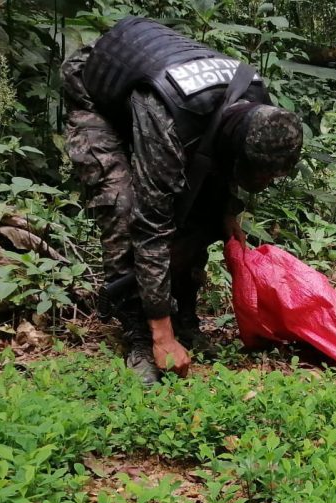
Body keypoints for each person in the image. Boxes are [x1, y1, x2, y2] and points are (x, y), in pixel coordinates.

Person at [61, 16, 304, 383]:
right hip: (95, 87)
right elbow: (151, 225)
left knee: (203, 214)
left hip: (160, 96)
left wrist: (226, 213)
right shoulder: (170, 119)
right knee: (124, 206)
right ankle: (141, 336)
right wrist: (163, 336)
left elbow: (216, 165)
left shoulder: (258, 106)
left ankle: (185, 315)